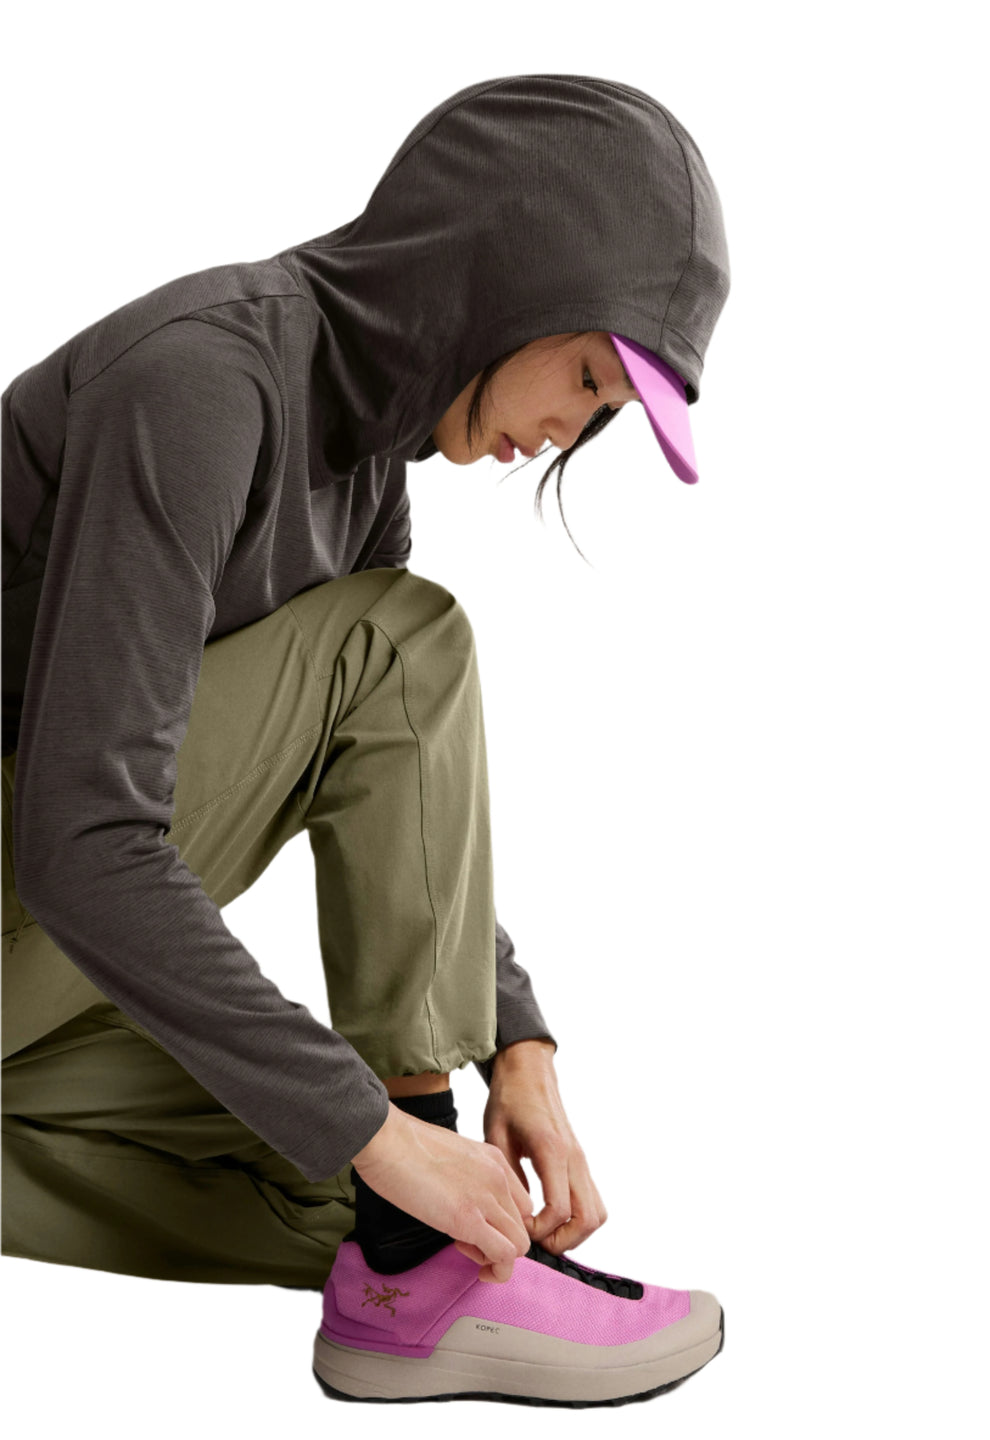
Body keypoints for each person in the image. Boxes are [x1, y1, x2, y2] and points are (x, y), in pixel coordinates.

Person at [1, 73, 730, 1406]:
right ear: (499, 273)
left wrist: (518, 1045)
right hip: (40, 892)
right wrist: (387, 1126)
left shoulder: (363, 474)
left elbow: (410, 801)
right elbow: (86, 845)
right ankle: (417, 1231)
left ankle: (416, 1282)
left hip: (23, 986)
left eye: (602, 417)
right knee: (402, 644)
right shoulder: (202, 379)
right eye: (584, 377)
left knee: (369, 1193)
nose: (566, 433)